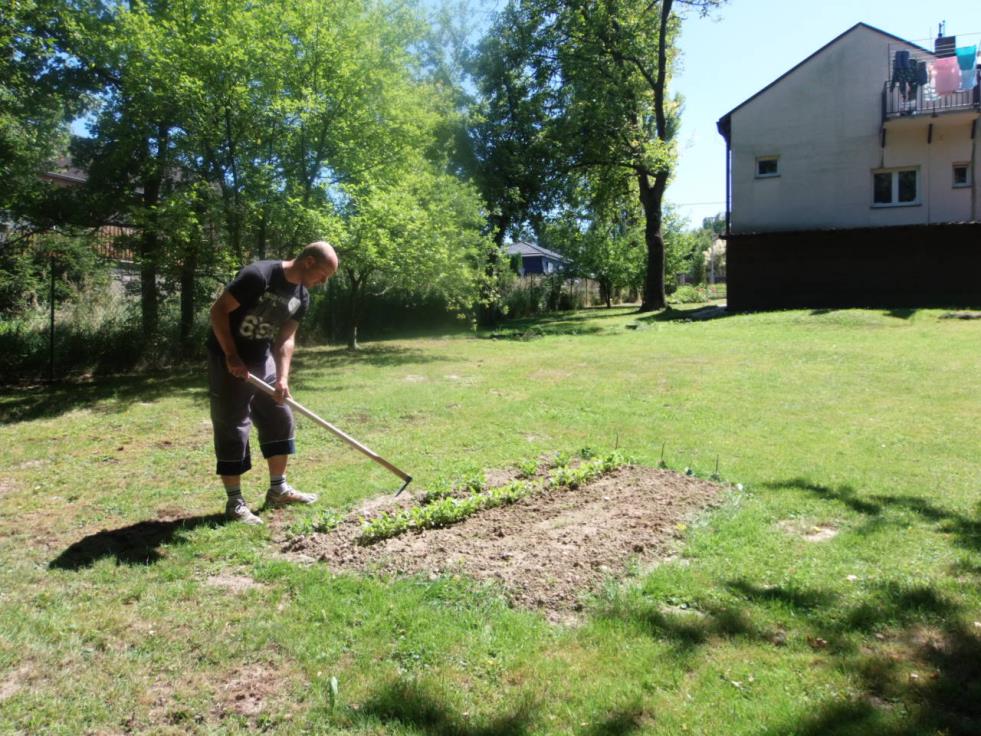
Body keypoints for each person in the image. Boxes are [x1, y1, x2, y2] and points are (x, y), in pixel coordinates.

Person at [207, 241, 339, 524]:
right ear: (309, 262)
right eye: (323, 275)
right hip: (227, 357)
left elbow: (286, 338)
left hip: (260, 358)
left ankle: (278, 490)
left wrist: (282, 377)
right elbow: (218, 312)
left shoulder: (302, 297)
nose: (322, 282)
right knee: (233, 425)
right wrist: (231, 356)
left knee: (280, 417)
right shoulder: (259, 276)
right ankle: (235, 503)